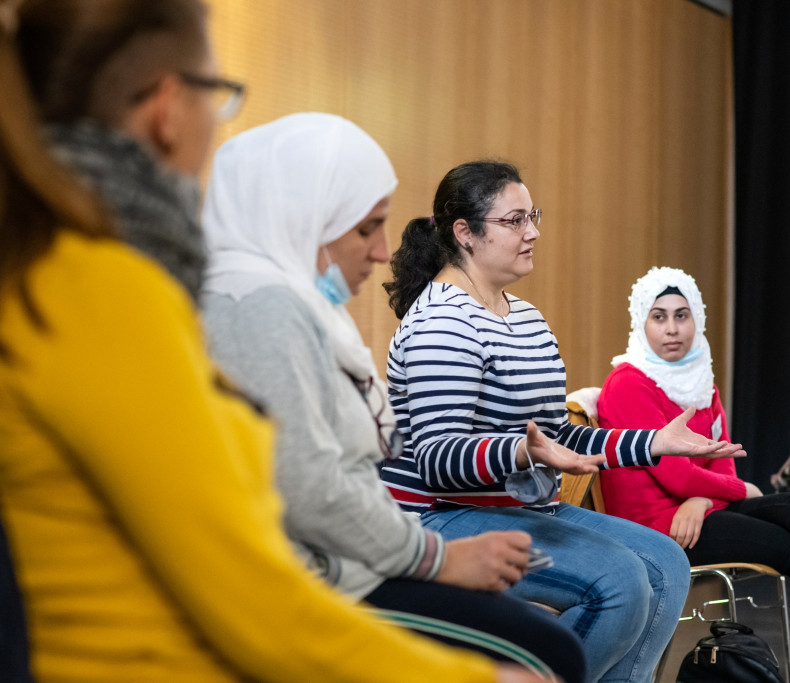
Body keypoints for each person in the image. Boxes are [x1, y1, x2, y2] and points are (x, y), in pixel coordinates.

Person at [0, 2, 547, 681]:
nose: (378, 251)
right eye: (220, 96)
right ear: (169, 106)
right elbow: (254, 596)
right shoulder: (105, 288)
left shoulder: (58, 269)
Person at [200, 112, 586, 682]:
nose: (384, 252)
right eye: (365, 229)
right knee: (545, 654)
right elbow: (315, 491)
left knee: (559, 638)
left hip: (360, 556)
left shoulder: (304, 306)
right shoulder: (262, 310)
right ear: (304, 220)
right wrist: (440, 558)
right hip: (325, 578)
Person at [380, 161, 745, 683]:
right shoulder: (442, 320)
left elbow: (558, 435)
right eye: (514, 221)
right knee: (620, 582)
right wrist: (524, 452)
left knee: (666, 564)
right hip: (438, 516)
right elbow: (438, 460)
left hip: (521, 507)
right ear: (465, 233)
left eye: (533, 216)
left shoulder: (525, 318)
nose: (532, 232)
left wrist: (656, 443)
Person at [596, 266, 790, 683]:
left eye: (682, 315)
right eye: (658, 317)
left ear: (698, 319)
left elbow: (720, 461)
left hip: (697, 513)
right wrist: (735, 489)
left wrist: (703, 497)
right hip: (659, 528)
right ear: (641, 323)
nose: (672, 329)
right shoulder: (628, 384)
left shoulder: (700, 382)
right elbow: (677, 476)